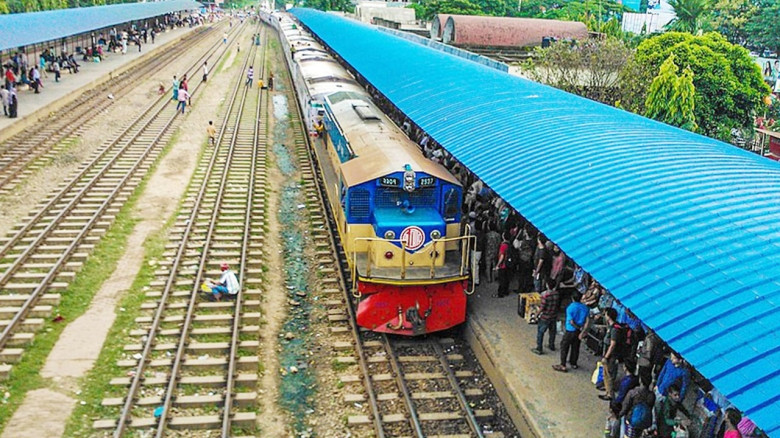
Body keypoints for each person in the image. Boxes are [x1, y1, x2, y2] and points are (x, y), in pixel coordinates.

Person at [553, 292, 589, 371]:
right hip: (579, 331)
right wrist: (582, 331)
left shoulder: (570, 307)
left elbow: (571, 322)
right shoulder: (585, 308)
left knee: (564, 346)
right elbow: (587, 322)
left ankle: (563, 364)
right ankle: (573, 363)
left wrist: (576, 327)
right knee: (575, 347)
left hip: (570, 330)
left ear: (572, 298)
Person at [601, 307, 626, 401]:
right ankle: (607, 390)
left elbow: (612, 344)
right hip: (609, 354)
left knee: (609, 375)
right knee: (606, 373)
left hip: (611, 356)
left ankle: (610, 394)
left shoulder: (615, 329)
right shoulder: (612, 327)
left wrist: (606, 356)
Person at [532, 278, 559, 355]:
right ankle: (551, 345)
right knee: (552, 331)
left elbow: (542, 307)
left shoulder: (545, 295)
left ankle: (539, 348)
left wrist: (536, 315)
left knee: (540, 332)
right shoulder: (556, 293)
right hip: (553, 316)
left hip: (545, 317)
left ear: (547, 285)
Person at [493, 232, 511, 298]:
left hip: (503, 265)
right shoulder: (509, 244)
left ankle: (500, 293)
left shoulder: (503, 245)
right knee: (506, 278)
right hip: (508, 264)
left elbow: (502, 256)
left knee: (501, 280)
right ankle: (506, 291)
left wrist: (497, 265)